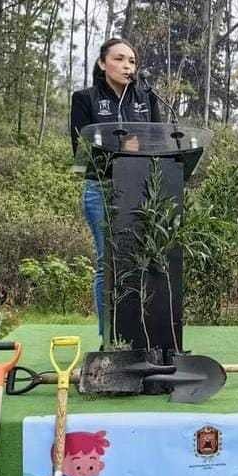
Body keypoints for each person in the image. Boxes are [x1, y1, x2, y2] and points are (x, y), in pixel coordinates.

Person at [69, 38, 161, 336]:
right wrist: (123, 145)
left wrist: (136, 147)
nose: (127, 66)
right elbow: (82, 148)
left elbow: (158, 141)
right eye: (120, 59)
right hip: (102, 188)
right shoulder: (85, 99)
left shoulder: (146, 99)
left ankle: (139, 332)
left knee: (142, 260)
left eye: (132, 61)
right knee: (106, 261)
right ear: (102, 63)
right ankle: (108, 336)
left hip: (142, 188)